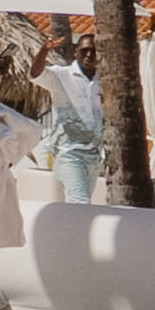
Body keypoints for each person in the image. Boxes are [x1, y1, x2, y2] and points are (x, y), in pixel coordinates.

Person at [38, 49, 106, 204]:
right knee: (80, 201)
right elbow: (36, 74)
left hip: (94, 155)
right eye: (84, 50)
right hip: (68, 153)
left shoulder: (103, 81)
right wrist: (44, 50)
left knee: (81, 202)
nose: (89, 54)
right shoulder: (62, 75)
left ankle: (71, 228)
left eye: (93, 51)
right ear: (76, 53)